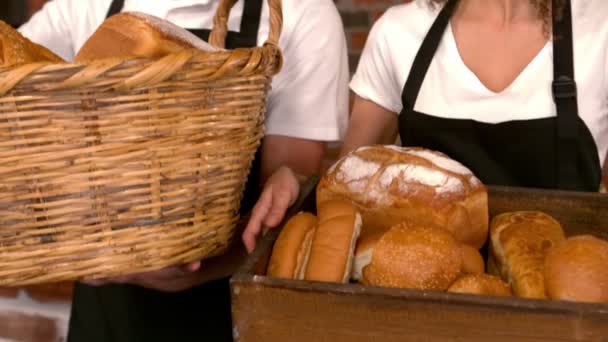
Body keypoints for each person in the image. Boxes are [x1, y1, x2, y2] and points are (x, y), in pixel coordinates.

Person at [19, 0, 349, 341]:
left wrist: (204, 265)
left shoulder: (302, 13)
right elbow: (12, 72)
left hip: (227, 316)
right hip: (104, 319)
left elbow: (281, 216)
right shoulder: (87, 5)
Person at [243, 0, 607, 251]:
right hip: (419, 307)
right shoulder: (399, 35)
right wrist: (295, 182)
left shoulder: (600, 30)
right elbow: (346, 192)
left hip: (569, 313)